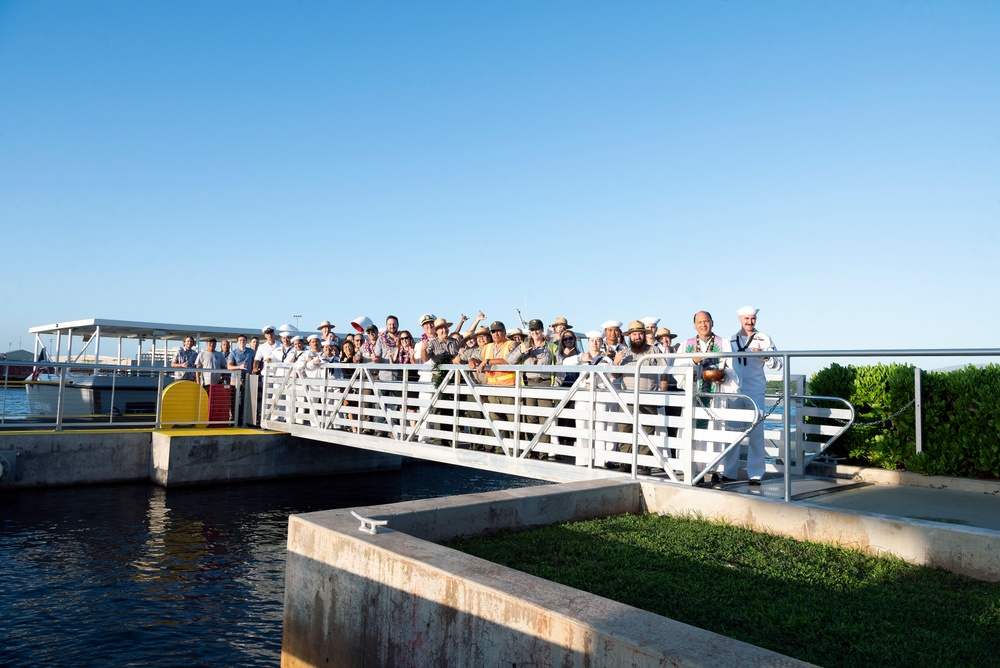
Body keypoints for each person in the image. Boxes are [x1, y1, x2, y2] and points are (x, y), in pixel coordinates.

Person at [677, 311, 737, 483]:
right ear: (694, 324)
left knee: (715, 433)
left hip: (715, 395)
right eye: (700, 322)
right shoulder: (686, 344)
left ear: (712, 322)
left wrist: (726, 376)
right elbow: (678, 371)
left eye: (706, 321)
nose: (703, 325)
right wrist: (693, 361)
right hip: (694, 396)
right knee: (695, 432)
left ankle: (715, 471)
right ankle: (695, 471)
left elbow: (733, 368)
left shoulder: (723, 343)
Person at [727, 306, 781, 485]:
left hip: (756, 390)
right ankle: (729, 472)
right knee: (732, 433)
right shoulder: (731, 340)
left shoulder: (764, 339)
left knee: (757, 435)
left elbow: (778, 364)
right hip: (735, 391)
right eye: (746, 319)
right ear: (740, 319)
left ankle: (756, 474)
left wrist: (765, 356)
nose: (750, 322)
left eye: (753, 319)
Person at [612, 321, 668, 474]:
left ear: (644, 335)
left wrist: (662, 392)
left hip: (648, 398)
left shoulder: (655, 350)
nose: (637, 336)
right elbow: (615, 375)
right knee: (625, 430)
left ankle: (644, 464)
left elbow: (664, 372)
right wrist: (616, 363)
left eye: (640, 333)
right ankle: (625, 463)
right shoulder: (624, 353)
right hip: (627, 399)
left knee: (647, 431)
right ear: (629, 336)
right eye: (634, 334)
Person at [477, 321, 522, 442]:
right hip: (492, 387)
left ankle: (515, 448)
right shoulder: (487, 347)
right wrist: (471, 361)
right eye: (493, 331)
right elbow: (476, 357)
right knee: (496, 420)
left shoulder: (512, 344)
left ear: (504, 332)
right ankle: (500, 447)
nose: (495, 333)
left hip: (508, 387)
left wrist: (487, 361)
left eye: (498, 331)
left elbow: (508, 360)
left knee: (512, 420)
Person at [520, 319, 558, 455]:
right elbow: (509, 360)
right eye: (532, 330)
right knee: (530, 418)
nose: (535, 332)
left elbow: (560, 368)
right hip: (529, 384)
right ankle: (530, 452)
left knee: (544, 419)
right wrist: (521, 351)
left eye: (537, 330)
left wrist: (555, 387)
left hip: (545, 383)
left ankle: (543, 452)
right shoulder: (523, 346)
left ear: (542, 330)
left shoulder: (552, 347)